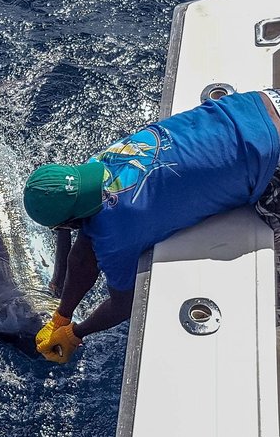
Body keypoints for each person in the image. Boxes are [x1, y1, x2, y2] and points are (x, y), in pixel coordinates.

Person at [23, 90, 280, 363]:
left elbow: (123, 305)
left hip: (273, 158)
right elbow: (83, 255)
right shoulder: (99, 162)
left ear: (68, 223)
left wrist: (75, 333)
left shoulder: (116, 233)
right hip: (260, 102)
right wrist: (61, 315)